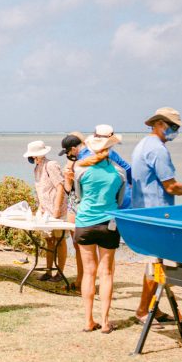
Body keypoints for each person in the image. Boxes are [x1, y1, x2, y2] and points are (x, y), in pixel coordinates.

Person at [130, 107, 182, 324]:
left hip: (144, 212)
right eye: (173, 126)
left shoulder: (143, 144)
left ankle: (153, 308)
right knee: (157, 264)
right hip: (157, 213)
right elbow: (171, 187)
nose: (175, 130)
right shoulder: (158, 150)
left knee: (157, 262)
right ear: (159, 124)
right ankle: (143, 311)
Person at [73, 132, 127, 334]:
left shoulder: (80, 169)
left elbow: (79, 196)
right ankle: (105, 322)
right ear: (110, 149)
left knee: (89, 272)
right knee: (106, 273)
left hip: (84, 223)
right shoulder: (119, 172)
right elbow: (120, 200)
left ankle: (88, 320)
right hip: (108, 224)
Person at [24, 140, 68, 282]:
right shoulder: (37, 169)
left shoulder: (51, 165)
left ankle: (60, 272)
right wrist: (40, 209)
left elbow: (60, 187)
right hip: (45, 212)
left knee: (60, 241)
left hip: (58, 211)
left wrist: (56, 211)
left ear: (37, 156)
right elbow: (42, 191)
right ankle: (49, 271)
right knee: (49, 241)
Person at [79, 125, 133, 208]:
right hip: (120, 199)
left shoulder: (83, 154)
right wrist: (130, 183)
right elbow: (128, 169)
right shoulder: (111, 154)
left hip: (94, 200)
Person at [59, 132, 87, 287]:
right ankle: (79, 279)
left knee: (86, 246)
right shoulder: (70, 163)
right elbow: (68, 189)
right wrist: (68, 178)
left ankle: (84, 280)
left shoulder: (88, 160)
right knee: (77, 245)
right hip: (72, 203)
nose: (68, 155)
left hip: (84, 203)